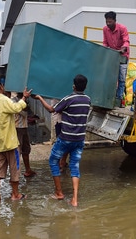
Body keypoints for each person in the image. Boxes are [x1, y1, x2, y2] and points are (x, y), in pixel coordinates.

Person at [32, 74, 91, 207]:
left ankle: (59, 193)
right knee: (75, 166)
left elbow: (52, 110)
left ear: (73, 86)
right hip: (80, 139)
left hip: (66, 138)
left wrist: (40, 98)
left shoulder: (69, 98)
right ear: (86, 86)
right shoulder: (87, 99)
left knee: (53, 161)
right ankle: (75, 199)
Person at [0, 76, 32, 204]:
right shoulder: (4, 100)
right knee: (15, 168)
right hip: (11, 143)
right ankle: (15, 194)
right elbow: (17, 108)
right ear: (1, 87)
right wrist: (24, 97)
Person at [103, 11, 130, 107]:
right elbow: (105, 42)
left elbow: (126, 41)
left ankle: (119, 100)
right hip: (113, 56)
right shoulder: (105, 29)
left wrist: (123, 48)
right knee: (111, 78)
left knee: (121, 79)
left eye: (110, 22)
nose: (108, 24)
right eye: (107, 22)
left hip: (123, 56)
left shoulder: (122, 28)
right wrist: (105, 49)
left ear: (115, 21)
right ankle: (110, 98)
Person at [11, 92, 37, 178]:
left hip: (23, 127)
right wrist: (25, 98)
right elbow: (24, 110)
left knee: (26, 149)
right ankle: (15, 175)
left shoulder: (21, 99)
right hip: (17, 127)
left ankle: (28, 170)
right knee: (17, 152)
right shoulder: (14, 100)